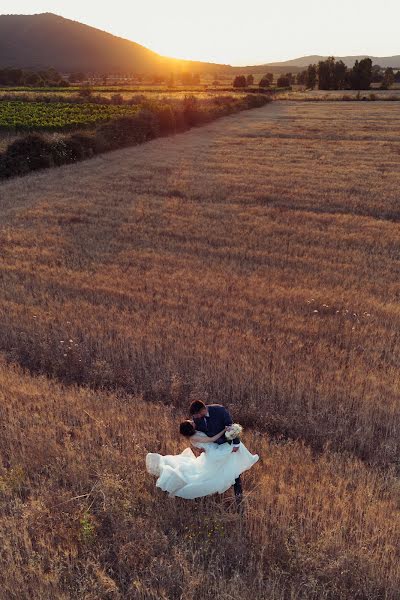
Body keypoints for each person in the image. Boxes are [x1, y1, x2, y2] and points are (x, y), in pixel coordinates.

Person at [145, 401, 259, 503]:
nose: (195, 418)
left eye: (197, 415)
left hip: (227, 445)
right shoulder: (196, 420)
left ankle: (238, 495)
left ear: (202, 410)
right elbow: (197, 435)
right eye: (194, 417)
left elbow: (232, 427)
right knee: (220, 472)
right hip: (214, 450)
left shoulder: (219, 410)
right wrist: (201, 447)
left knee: (233, 468)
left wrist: (236, 444)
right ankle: (212, 491)